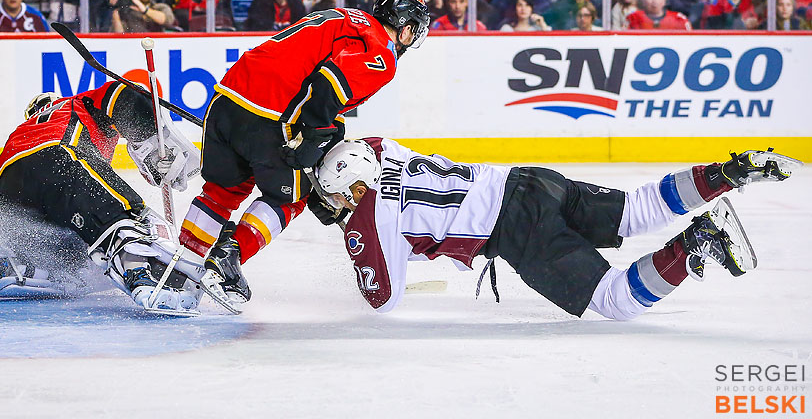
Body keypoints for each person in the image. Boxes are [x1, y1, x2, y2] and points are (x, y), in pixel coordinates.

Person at [310, 139, 798, 318]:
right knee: (636, 210)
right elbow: (360, 146)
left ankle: (697, 241)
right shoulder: (380, 147)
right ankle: (723, 175)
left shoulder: (368, 223)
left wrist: (362, 251)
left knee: (615, 301)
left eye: (338, 194)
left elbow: (383, 299)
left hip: (516, 229)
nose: (333, 203)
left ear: (355, 190)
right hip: (528, 180)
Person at [189, 0, 431, 303]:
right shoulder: (382, 51)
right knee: (291, 197)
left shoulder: (349, 18)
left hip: (228, 98)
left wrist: (322, 137)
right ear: (405, 27)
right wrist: (314, 142)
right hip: (271, 112)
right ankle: (226, 258)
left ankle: (186, 261)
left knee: (223, 191)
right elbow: (328, 85)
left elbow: (317, 82)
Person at [0, 85, 202, 315]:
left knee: (69, 255)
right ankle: (143, 275)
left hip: (9, 185)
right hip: (59, 158)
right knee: (125, 216)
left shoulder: (22, 131)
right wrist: (154, 142)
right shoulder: (73, 105)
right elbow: (121, 95)